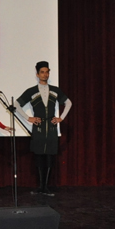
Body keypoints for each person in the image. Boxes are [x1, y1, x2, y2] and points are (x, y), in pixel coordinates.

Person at [16, 61, 72, 196]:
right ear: (37, 74)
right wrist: (28, 118)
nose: (45, 74)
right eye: (42, 72)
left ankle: (45, 186)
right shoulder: (31, 91)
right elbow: (17, 105)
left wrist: (61, 118)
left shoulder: (55, 90)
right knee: (39, 156)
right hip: (39, 127)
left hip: (51, 128)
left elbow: (68, 102)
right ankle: (40, 186)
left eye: (47, 72)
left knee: (49, 156)